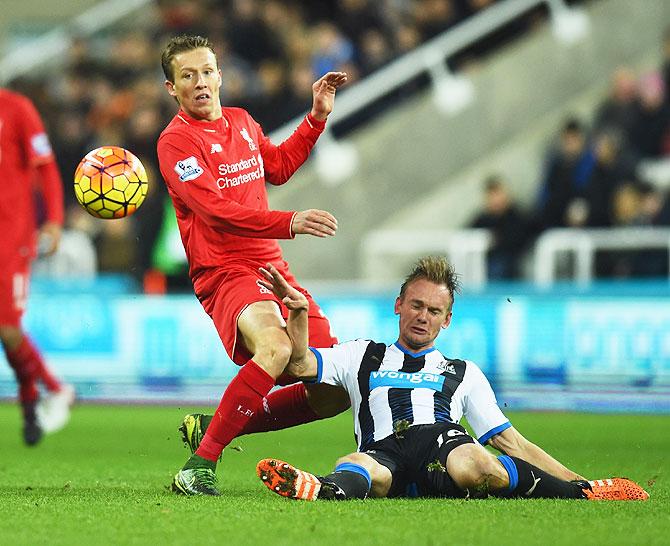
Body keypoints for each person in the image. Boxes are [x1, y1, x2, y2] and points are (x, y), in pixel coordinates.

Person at [254, 257, 649, 502]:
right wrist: (299, 314)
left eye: (434, 310)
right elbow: (300, 365)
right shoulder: (362, 354)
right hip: (385, 453)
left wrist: (577, 478)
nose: (423, 316)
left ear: (447, 319)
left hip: (439, 447)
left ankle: (579, 493)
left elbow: (510, 441)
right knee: (358, 464)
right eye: (416, 305)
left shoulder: (462, 372)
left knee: (473, 463)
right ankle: (325, 488)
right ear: (399, 306)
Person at [156, 35, 349, 495]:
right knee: (277, 349)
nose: (200, 83)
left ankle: (217, 427)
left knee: (332, 391)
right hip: (225, 273)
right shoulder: (175, 143)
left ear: (220, 76)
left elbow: (278, 166)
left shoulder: (242, 121)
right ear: (172, 88)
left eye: (206, 72)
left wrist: (317, 117)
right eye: (188, 76)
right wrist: (290, 220)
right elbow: (216, 210)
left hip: (272, 269)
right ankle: (197, 467)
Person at [0, 88, 75, 445]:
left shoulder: (16, 108)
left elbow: (45, 167)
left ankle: (56, 390)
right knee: (6, 332)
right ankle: (30, 401)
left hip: (10, 238)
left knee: (8, 327)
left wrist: (55, 220)